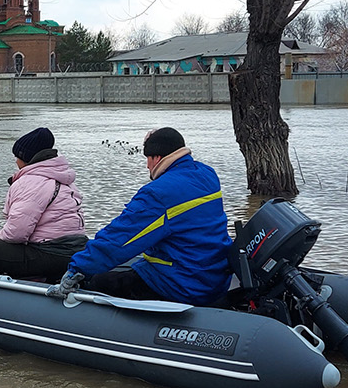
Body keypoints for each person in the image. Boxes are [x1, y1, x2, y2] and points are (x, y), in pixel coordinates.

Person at [47, 127, 232, 306]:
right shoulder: (207, 175)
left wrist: (77, 268)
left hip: (183, 283)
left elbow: (120, 237)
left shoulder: (159, 194)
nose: (147, 165)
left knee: (99, 282)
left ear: (157, 158)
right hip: (213, 275)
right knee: (132, 263)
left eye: (148, 159)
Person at [0, 127, 87, 282]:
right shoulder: (63, 178)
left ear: (26, 158)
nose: (15, 161)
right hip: (76, 248)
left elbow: (17, 233)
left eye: (17, 156)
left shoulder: (30, 182)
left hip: (52, 252)